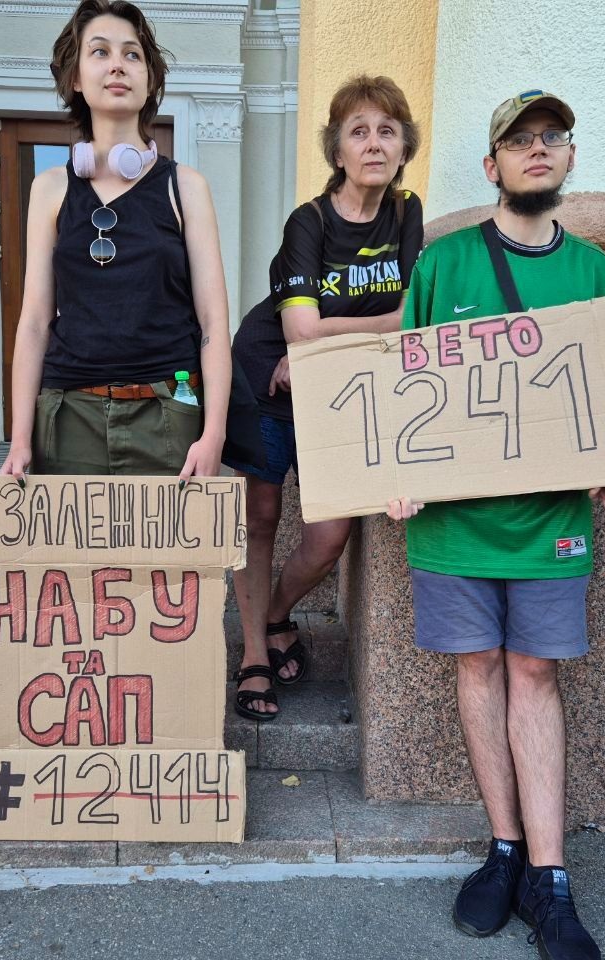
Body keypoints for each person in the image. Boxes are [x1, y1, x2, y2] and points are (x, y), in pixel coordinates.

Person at [385, 91, 605, 960]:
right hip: (453, 524)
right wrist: (393, 473)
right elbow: (401, 388)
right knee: (478, 667)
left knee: (534, 670)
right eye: (519, 140)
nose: (538, 149)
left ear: (570, 156)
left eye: (552, 137)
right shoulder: (445, 263)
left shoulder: (593, 273)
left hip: (552, 520)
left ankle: (550, 875)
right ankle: (503, 850)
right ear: (491, 165)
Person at [226, 75, 423, 722]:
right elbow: (297, 331)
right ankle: (255, 652)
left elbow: (410, 319)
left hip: (336, 385)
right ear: (337, 150)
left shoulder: (407, 214)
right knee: (259, 515)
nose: (374, 143)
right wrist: (319, 336)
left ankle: (277, 612)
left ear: (404, 147)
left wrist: (319, 336)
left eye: (387, 131)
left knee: (330, 531)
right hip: (267, 375)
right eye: (358, 132)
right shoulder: (308, 222)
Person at [0, 0, 230, 483]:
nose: (118, 65)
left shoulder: (185, 187)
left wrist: (213, 435)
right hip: (68, 416)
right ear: (76, 77)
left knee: (172, 540)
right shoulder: (50, 188)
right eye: (100, 52)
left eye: (132, 54)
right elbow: (35, 323)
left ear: (149, 80)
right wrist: (20, 439)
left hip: (167, 412)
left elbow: (213, 323)